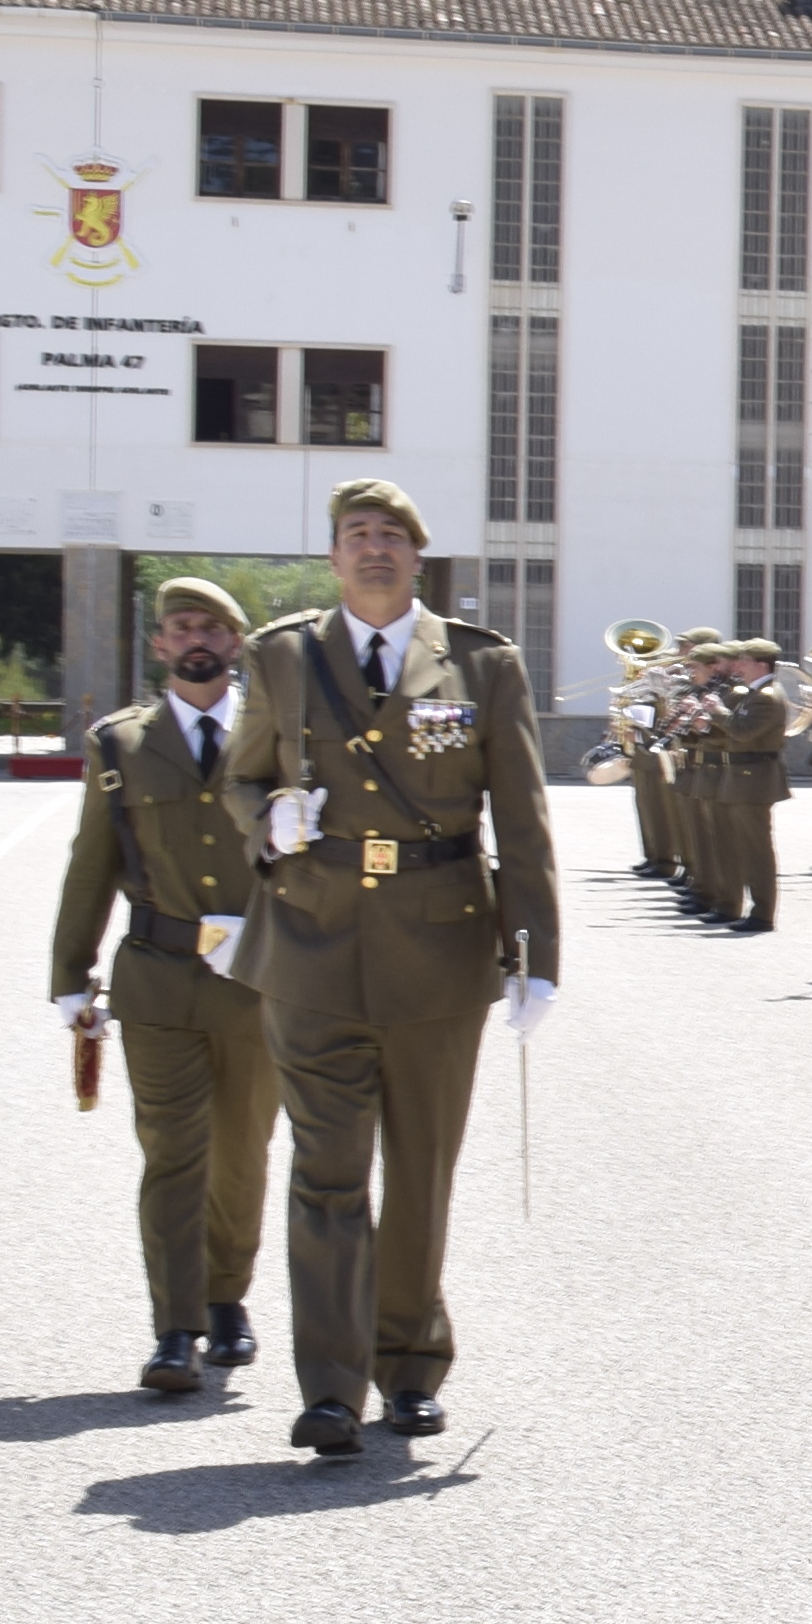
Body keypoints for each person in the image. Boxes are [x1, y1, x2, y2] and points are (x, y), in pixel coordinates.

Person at [222, 478, 562, 1459]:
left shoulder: (480, 665)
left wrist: (534, 951)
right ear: (333, 557)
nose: (374, 550)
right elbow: (244, 775)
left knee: (420, 1171)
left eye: (392, 537)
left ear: (419, 556)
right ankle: (330, 1388)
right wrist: (266, 819)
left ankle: (410, 1362)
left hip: (437, 943)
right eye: (356, 535)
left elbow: (522, 815)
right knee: (326, 1172)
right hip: (313, 939)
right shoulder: (281, 655)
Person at [49, 574, 278, 1395]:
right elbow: (93, 861)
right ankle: (174, 1329)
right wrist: (70, 975)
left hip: (257, 980)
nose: (195, 640)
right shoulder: (121, 744)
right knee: (172, 1152)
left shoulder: (279, 734)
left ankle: (227, 1299)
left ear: (236, 644)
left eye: (211, 627)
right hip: (156, 975)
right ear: (159, 646)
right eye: (180, 627)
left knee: (243, 1153)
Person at [693, 636, 790, 933]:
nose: (738, 665)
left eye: (745, 661)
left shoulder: (767, 696)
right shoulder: (753, 692)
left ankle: (762, 913)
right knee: (737, 846)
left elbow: (743, 731)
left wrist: (718, 712)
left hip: (754, 776)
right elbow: (733, 731)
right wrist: (709, 723)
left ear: (762, 664)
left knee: (756, 850)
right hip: (742, 775)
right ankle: (733, 906)